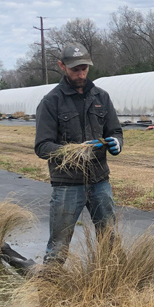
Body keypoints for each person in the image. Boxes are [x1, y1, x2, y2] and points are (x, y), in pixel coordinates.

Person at [34, 42, 124, 264]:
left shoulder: (101, 97)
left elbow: (115, 131)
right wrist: (74, 152)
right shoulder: (50, 102)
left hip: (99, 181)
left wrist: (116, 143)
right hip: (67, 185)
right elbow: (42, 146)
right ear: (62, 66)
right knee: (58, 245)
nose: (81, 73)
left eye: (84, 68)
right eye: (75, 69)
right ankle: (49, 288)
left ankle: (115, 282)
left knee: (109, 239)